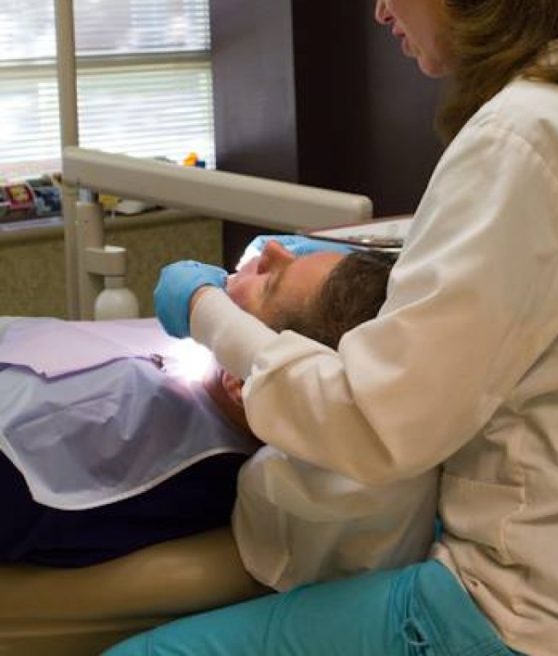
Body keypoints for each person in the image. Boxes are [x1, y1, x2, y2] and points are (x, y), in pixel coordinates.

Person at [108, 0, 558, 656]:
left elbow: (372, 428)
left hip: (533, 618)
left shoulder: (518, 136)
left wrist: (206, 308)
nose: (379, 8)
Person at [0, 237, 403, 568]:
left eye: (269, 281)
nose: (273, 248)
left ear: (243, 384)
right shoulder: (196, 367)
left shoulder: (135, 455)